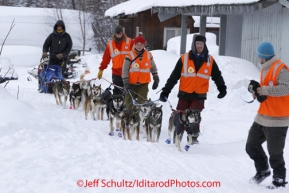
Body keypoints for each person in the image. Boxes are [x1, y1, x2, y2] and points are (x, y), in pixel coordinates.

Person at [159, 34, 227, 144]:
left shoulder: (210, 60)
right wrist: (166, 90)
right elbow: (174, 76)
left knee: (195, 116)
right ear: (193, 45)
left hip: (199, 94)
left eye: (201, 43)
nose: (199, 46)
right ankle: (178, 136)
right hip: (184, 93)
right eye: (197, 43)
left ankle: (193, 138)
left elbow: (217, 76)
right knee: (180, 115)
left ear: (204, 45)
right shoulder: (184, 58)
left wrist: (222, 88)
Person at [246, 41, 289, 189]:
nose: (258, 59)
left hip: (278, 119)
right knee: (251, 145)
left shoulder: (281, 69)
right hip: (262, 116)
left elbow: (286, 89)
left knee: (275, 153)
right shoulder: (265, 69)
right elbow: (267, 89)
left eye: (259, 56)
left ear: (263, 57)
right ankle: (263, 170)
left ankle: (279, 179)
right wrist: (257, 93)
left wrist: (264, 91)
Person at [122, 33, 159, 109]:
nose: (139, 46)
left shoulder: (149, 55)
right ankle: (128, 119)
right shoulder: (129, 55)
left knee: (141, 105)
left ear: (144, 45)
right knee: (128, 104)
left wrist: (156, 78)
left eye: (141, 44)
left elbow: (153, 68)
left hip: (143, 84)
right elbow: (125, 70)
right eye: (137, 44)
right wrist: (125, 81)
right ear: (134, 44)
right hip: (131, 84)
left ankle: (139, 119)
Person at [97, 25, 134, 96]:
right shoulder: (110, 44)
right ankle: (117, 106)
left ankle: (126, 106)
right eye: (117, 33)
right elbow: (106, 58)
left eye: (120, 33)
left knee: (127, 91)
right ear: (115, 34)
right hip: (116, 72)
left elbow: (135, 55)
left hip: (127, 71)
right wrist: (101, 69)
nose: (119, 35)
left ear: (122, 33)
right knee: (117, 92)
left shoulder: (129, 42)